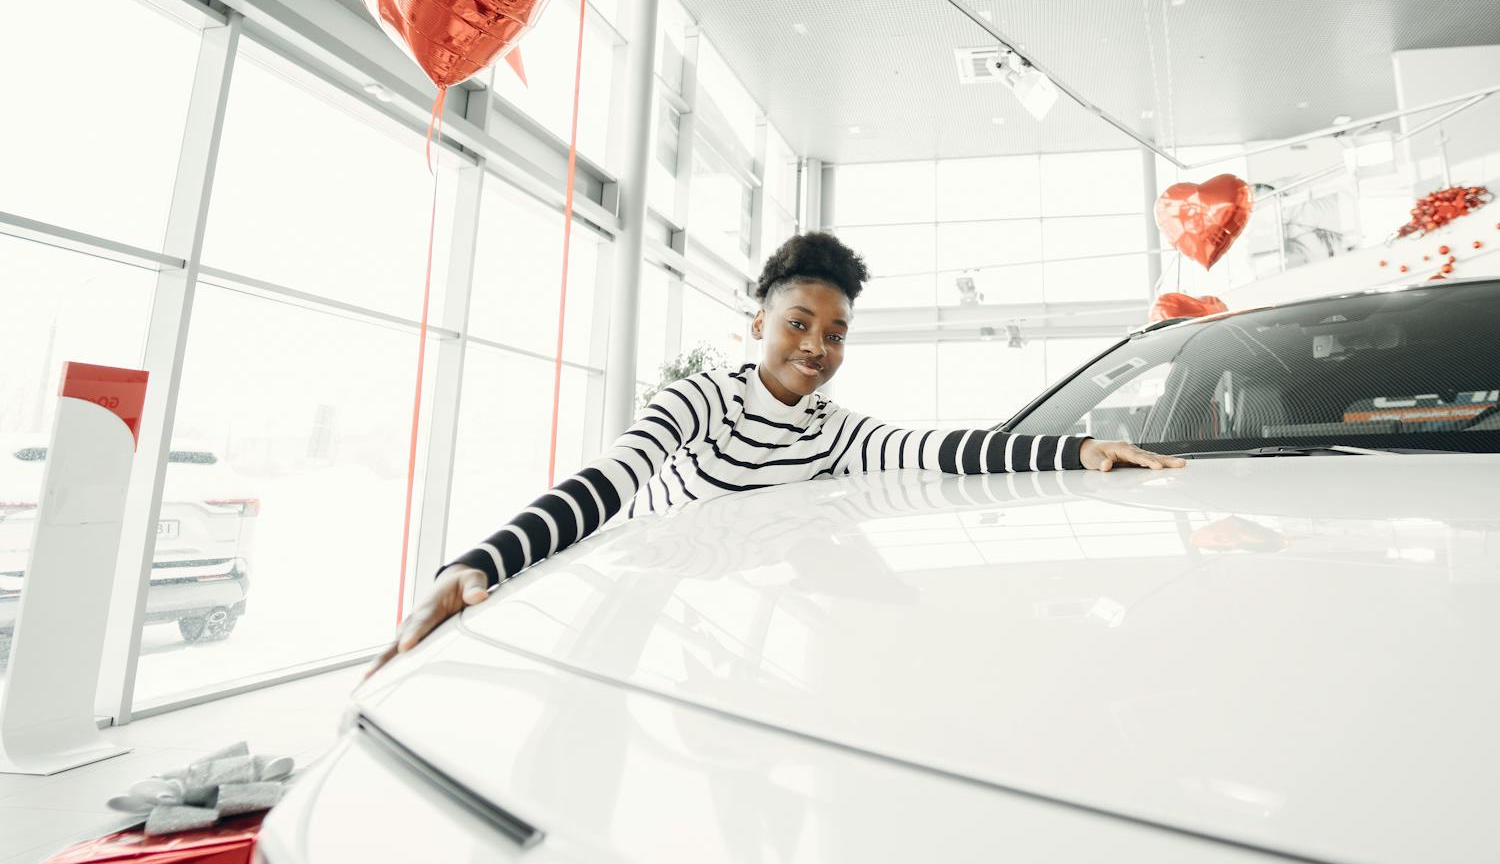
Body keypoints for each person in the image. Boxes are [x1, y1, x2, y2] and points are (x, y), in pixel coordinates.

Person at [370, 231, 1182, 672]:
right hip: (655, 606)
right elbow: (606, 483)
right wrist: (479, 562)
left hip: (751, 621)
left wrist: (1077, 451)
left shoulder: (831, 428)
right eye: (798, 323)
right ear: (757, 322)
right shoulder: (701, 397)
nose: (816, 347)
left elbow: (943, 449)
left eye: (835, 333)